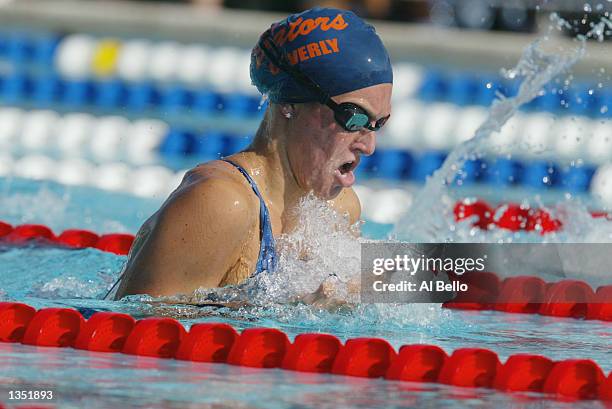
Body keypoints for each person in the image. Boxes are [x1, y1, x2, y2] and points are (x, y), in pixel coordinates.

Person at [113, 7, 393, 299]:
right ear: (290, 103)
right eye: (354, 118)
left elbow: (423, 281)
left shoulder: (338, 209)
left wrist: (441, 276)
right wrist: (294, 309)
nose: (368, 145)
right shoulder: (219, 203)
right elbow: (136, 325)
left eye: (379, 124)